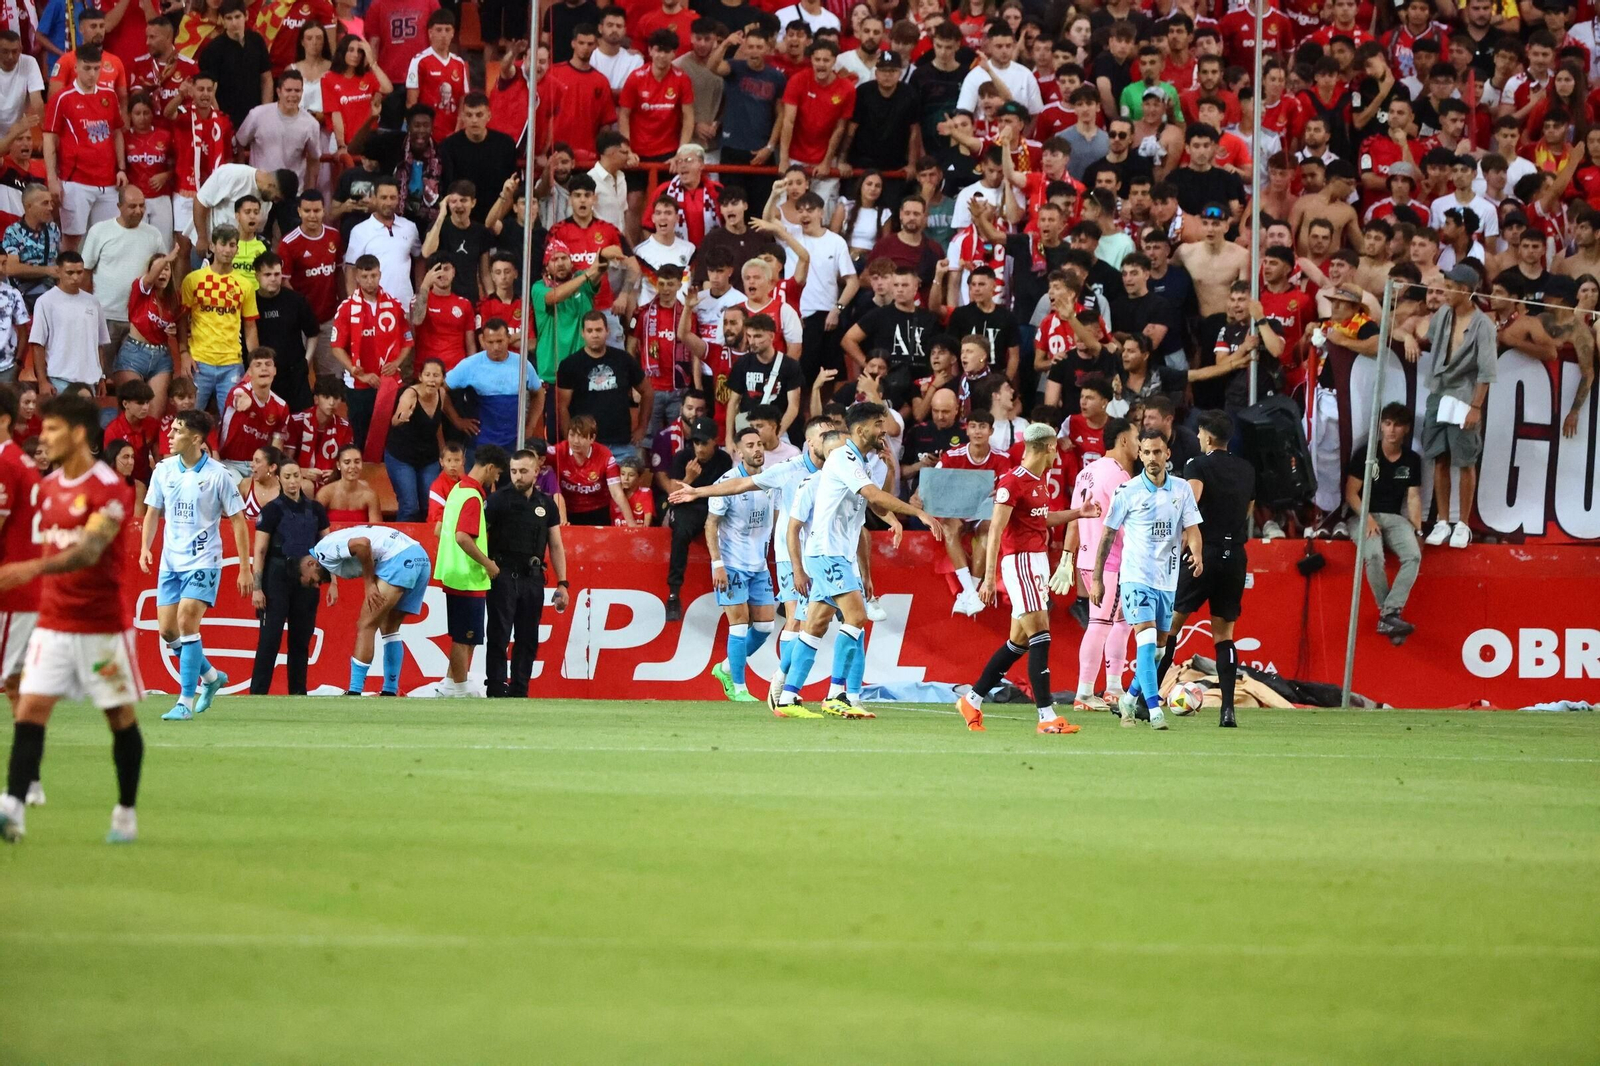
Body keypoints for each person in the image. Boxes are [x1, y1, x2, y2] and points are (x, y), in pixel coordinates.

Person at [0, 393, 143, 845]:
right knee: (30, 708)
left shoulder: (110, 490)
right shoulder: (46, 487)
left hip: (101, 627)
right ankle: (14, 807)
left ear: (78, 433)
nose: (42, 438)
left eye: (52, 429)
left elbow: (89, 550)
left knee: (118, 717)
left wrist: (33, 568)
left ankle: (125, 812)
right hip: (53, 623)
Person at [774, 402, 942, 716]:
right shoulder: (842, 456)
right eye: (880, 424)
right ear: (862, 429)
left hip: (831, 552)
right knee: (856, 617)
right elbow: (874, 496)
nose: (885, 431)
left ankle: (788, 698)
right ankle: (837, 695)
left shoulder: (858, 461)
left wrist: (891, 516)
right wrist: (917, 511)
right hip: (829, 553)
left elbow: (876, 504)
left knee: (817, 624)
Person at [956, 422, 1100, 733]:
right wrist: (989, 577)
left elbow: (1042, 519)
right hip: (1020, 563)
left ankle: (972, 699)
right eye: (1055, 449)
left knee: (1017, 643)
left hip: (1036, 563)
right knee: (1041, 635)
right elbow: (995, 529)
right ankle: (1047, 717)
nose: (1058, 456)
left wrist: (1079, 513)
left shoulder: (1039, 481)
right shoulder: (1013, 482)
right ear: (1048, 447)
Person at [140, 409, 255, 721]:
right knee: (167, 631)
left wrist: (244, 567)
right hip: (170, 562)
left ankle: (184, 702)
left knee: (187, 621)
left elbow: (238, 521)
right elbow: (152, 512)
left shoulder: (219, 475)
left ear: (196, 439)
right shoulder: (163, 470)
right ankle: (212, 677)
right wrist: (145, 549)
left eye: (177, 431)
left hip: (204, 561)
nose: (170, 435)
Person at [1093, 429, 1202, 731]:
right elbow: (1107, 535)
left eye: (1158, 452)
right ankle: (1154, 709)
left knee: (1159, 649)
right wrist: (1098, 579)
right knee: (1146, 638)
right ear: (1139, 454)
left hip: (1167, 580)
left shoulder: (1181, 490)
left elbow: (1192, 527)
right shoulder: (1127, 492)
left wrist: (1197, 553)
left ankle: (1129, 697)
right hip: (1135, 578)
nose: (1152, 458)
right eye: (1147, 453)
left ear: (1168, 454)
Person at [1162, 411, 1255, 727]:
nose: (1198, 438)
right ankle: (1227, 709)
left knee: (1170, 625)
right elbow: (1247, 511)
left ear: (1208, 437)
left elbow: (1191, 504)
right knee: (1224, 635)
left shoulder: (1196, 465)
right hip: (1236, 556)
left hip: (1204, 552)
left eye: (1200, 433)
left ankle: (1145, 701)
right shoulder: (1246, 469)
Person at [301, 524, 433, 696]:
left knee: (366, 625)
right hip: (419, 556)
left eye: (313, 581)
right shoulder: (330, 546)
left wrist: (369, 584)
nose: (318, 585)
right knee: (390, 628)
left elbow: (362, 544)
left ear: (312, 564)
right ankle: (390, 691)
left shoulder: (323, 551)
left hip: (399, 558)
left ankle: (355, 691)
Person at [1421, 263, 1496, 549]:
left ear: (1465, 291)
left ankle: (1462, 523)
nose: (1444, 292)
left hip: (1465, 396)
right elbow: (1426, 336)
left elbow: (1486, 371)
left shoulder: (1483, 326)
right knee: (1439, 457)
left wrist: (1476, 407)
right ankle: (1442, 520)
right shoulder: (1442, 314)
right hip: (1439, 392)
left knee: (1465, 460)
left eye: (1450, 288)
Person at [483, 447, 569, 698]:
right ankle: (496, 688)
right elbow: (480, 536)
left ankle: (520, 689)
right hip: (502, 575)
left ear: (536, 471)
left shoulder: (547, 504)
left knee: (528, 637)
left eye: (523, 471)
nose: (518, 476)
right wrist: (487, 565)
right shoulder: (498, 500)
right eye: (513, 471)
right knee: (499, 634)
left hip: (532, 577)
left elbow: (555, 545)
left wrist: (563, 583)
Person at [706, 425, 776, 702]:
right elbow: (711, 525)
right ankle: (739, 688)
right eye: (750, 445)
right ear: (738, 451)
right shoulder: (727, 483)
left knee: (765, 627)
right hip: (732, 564)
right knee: (738, 625)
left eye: (759, 444)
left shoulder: (771, 480)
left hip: (759, 565)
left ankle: (724, 667)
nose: (757, 449)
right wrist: (717, 564)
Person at [248, 459, 330, 695]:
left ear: (302, 478)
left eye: (296, 476)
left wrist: (331, 580)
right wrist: (257, 587)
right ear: (279, 479)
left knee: (301, 639)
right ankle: (258, 693)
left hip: (307, 579)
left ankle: (298, 693)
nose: (293, 482)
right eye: (287, 477)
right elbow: (260, 550)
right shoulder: (272, 510)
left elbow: (328, 547)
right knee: (270, 638)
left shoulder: (315, 509)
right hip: (276, 576)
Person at [1346, 402, 1423, 643]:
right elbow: (1351, 493)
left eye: (1397, 425)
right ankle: (1389, 615)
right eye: (1387, 423)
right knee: (1374, 555)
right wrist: (1367, 517)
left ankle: (1389, 614)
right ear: (1380, 425)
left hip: (1395, 518)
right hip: (1362, 514)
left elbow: (1413, 497)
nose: (1391, 430)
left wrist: (1418, 529)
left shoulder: (1411, 459)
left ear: (1406, 429)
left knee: (1413, 556)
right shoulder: (1366, 454)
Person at [434, 445, 506, 697]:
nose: (496, 479)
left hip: (454, 571)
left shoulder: (457, 489)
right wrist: (488, 563)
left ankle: (449, 684)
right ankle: (461, 687)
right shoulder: (473, 497)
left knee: (464, 633)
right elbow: (463, 536)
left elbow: (439, 528)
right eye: (497, 473)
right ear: (489, 468)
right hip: (467, 575)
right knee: (463, 636)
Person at [0, 385, 42, 805]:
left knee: (16, 683)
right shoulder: (22, 461)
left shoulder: (6, 462)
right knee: (15, 684)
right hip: (23, 588)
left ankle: (27, 779)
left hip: (13, 589)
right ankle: (28, 779)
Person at [44, 44, 125, 251]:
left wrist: (122, 169)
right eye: (87, 68)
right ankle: (65, 282)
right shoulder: (62, 98)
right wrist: (53, 180)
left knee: (107, 240)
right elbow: (49, 139)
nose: (92, 74)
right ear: (77, 67)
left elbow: (117, 133)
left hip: (108, 183)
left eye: (97, 68)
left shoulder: (110, 96)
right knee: (73, 240)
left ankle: (97, 284)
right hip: (75, 181)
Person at [330, 252, 413, 447]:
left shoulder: (394, 305)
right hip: (359, 385)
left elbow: (407, 342)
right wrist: (356, 371)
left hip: (389, 383)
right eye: (365, 277)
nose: (369, 281)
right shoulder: (347, 308)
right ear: (357, 277)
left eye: (373, 276)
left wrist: (396, 364)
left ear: (380, 275)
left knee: (392, 437)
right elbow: (336, 347)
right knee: (361, 436)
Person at [180, 224, 260, 415]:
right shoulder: (193, 280)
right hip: (199, 363)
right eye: (223, 244)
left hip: (232, 364)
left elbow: (250, 327)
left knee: (232, 423)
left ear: (237, 249)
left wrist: (254, 363)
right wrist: (183, 353)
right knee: (189, 422)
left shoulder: (244, 285)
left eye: (232, 245)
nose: (227, 250)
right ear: (213, 246)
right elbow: (182, 320)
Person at [446, 318, 544, 451]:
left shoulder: (522, 364)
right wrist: (457, 421)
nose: (496, 347)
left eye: (500, 341)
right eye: (490, 342)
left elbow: (538, 393)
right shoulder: (470, 365)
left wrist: (530, 427)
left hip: (514, 443)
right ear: (483, 341)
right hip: (479, 444)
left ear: (508, 339)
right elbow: (440, 390)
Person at [110, 247, 182, 419]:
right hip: (133, 354)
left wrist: (173, 330)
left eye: (166, 269)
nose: (162, 271)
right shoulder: (140, 289)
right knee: (132, 414)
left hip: (161, 357)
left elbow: (179, 327)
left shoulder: (174, 299)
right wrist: (166, 259)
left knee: (153, 418)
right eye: (158, 268)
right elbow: (149, 279)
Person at [28, 250, 109, 393]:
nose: (75, 277)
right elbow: (37, 344)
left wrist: (101, 376)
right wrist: (42, 381)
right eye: (70, 272)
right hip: (59, 378)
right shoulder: (45, 301)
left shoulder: (93, 302)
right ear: (58, 271)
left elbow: (99, 344)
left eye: (79, 272)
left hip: (90, 381)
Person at [384, 356, 449, 521]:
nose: (431, 380)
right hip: (402, 457)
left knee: (431, 505)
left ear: (442, 378)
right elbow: (395, 420)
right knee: (410, 506)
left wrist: (443, 453)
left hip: (429, 458)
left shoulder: (441, 393)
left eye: (436, 375)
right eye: (427, 375)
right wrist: (402, 417)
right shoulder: (410, 394)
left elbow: (438, 426)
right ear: (420, 377)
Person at [550, 414, 635, 528]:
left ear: (592, 438)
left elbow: (617, 493)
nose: (575, 441)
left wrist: (631, 524)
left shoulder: (605, 455)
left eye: (581, 436)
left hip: (598, 511)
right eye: (572, 435)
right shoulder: (557, 451)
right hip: (567, 511)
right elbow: (535, 457)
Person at [218, 347, 289, 475]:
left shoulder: (281, 406)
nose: (264, 368)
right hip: (229, 462)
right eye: (258, 365)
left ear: (275, 371)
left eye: (268, 364)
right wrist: (244, 400)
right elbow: (238, 395)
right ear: (249, 372)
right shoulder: (238, 391)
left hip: (258, 466)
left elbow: (276, 445)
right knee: (238, 489)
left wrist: (272, 473)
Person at [283, 375, 351, 487]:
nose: (332, 402)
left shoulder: (345, 427)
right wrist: (302, 471)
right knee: (307, 487)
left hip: (331, 484)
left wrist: (336, 473)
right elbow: (285, 462)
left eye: (336, 397)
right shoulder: (296, 421)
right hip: (298, 480)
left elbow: (348, 460)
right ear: (316, 399)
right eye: (326, 397)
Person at [317, 442, 380, 522]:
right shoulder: (325, 493)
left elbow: (376, 529)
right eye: (347, 462)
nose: (353, 466)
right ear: (338, 465)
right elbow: (315, 525)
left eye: (357, 462)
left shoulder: (370, 495)